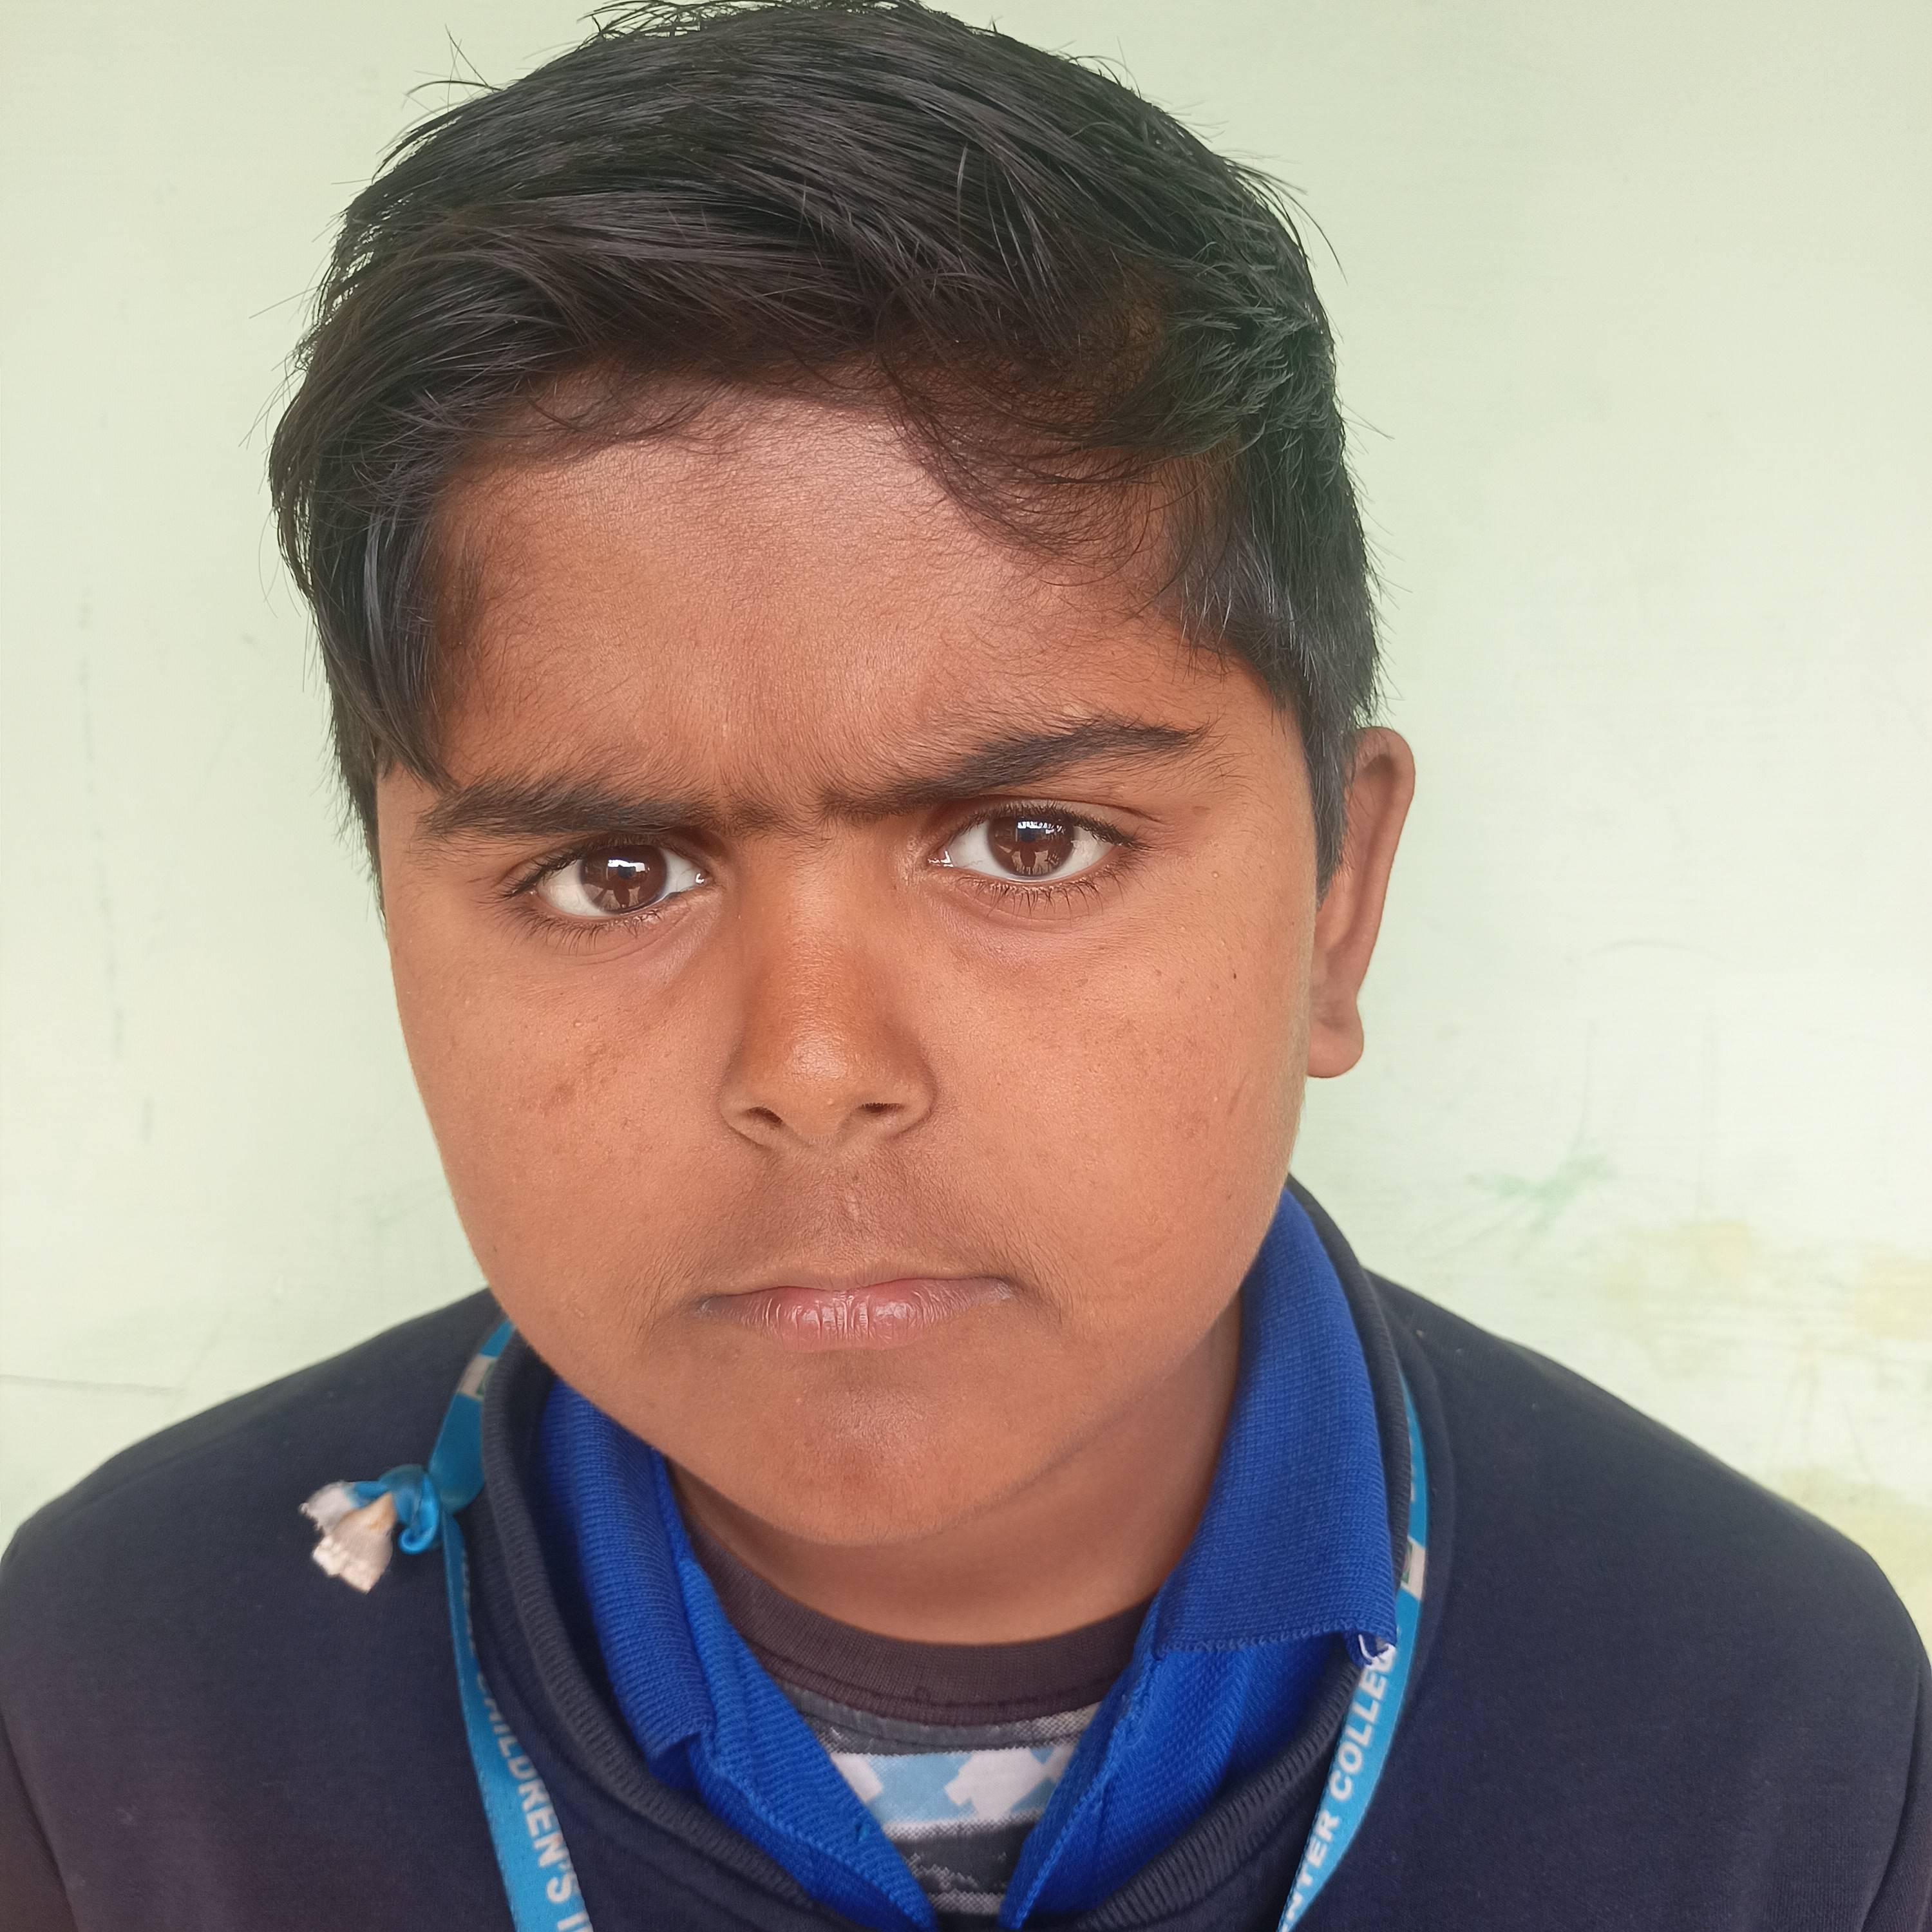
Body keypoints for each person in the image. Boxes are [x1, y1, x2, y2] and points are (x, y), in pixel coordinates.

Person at [2, 3, 1926, 1928]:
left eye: (1032, 842)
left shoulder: (1773, 1725)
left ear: (1337, 903)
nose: (815, 1066)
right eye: (613, 872)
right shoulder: (115, 1698)